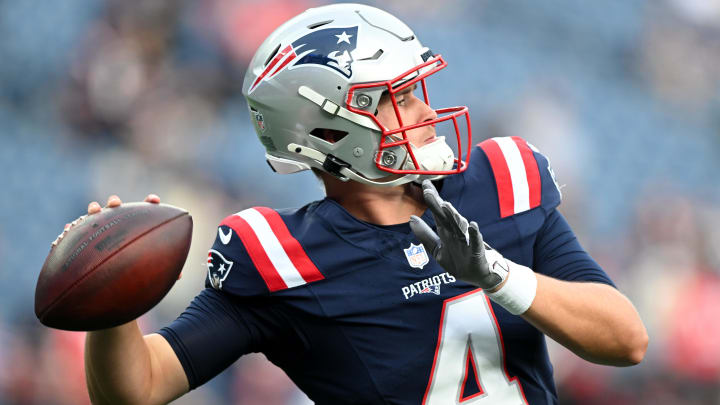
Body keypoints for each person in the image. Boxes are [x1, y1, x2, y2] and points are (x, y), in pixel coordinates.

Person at [77, 4, 647, 404]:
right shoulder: (281, 259)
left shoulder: (499, 182)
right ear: (328, 132)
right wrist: (112, 302)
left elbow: (626, 340)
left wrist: (498, 276)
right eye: (396, 99)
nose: (425, 112)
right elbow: (139, 387)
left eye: (415, 89)